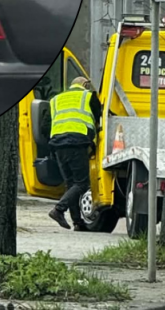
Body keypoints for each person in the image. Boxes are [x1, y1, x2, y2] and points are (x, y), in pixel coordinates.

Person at [46, 77, 103, 231]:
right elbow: (100, 116)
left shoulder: (56, 99)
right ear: (85, 85)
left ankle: (77, 222)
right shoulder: (88, 96)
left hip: (58, 145)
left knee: (71, 184)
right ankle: (59, 209)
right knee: (82, 183)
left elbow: (46, 124)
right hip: (76, 143)